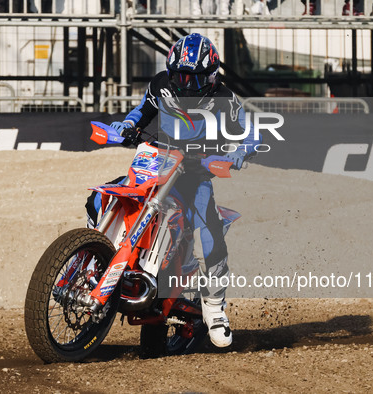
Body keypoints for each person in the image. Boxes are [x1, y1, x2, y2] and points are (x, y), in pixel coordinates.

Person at [108, 33, 260, 348]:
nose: (187, 84)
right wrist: (126, 125)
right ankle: (92, 253)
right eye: (181, 75)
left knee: (209, 234)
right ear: (171, 70)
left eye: (195, 77)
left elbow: (250, 133)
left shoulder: (225, 98)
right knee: (109, 194)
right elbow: (140, 112)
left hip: (195, 173)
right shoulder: (160, 84)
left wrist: (239, 153)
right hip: (156, 161)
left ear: (211, 75)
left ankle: (215, 310)